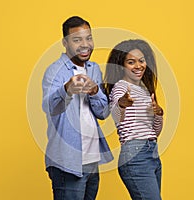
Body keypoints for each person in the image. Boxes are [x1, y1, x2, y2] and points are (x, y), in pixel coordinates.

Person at [42, 16, 113, 200]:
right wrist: (67, 89)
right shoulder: (55, 70)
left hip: (92, 159)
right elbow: (50, 107)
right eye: (77, 39)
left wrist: (96, 91)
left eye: (88, 38)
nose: (85, 44)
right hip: (68, 161)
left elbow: (103, 112)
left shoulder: (94, 69)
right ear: (65, 42)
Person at [103, 39, 164, 200]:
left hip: (152, 153)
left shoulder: (144, 90)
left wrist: (159, 114)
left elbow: (154, 131)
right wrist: (122, 104)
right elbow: (117, 116)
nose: (138, 66)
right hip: (135, 155)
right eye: (131, 62)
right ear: (122, 65)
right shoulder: (121, 87)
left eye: (141, 61)